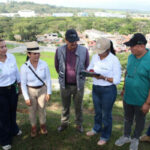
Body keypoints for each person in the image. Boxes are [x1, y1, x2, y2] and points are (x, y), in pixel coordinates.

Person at [115, 33, 150, 150]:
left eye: (132, 46)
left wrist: (147, 103)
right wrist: (124, 88)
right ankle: (126, 136)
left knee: (139, 120)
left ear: (141, 46)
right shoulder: (131, 57)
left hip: (141, 99)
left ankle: (135, 138)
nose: (130, 48)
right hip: (128, 96)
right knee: (127, 118)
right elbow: (127, 73)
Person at [86, 37, 121, 145]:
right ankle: (96, 128)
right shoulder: (95, 57)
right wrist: (89, 72)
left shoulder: (114, 60)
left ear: (108, 50)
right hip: (96, 88)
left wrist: (103, 78)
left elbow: (117, 80)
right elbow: (90, 67)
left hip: (108, 90)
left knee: (106, 114)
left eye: (101, 52)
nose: (99, 54)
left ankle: (105, 136)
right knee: (98, 112)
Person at [55, 29, 89, 133]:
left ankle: (78, 124)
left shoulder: (84, 50)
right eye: (71, 41)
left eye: (75, 41)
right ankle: (64, 123)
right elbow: (57, 66)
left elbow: (86, 65)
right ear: (65, 40)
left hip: (78, 85)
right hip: (65, 84)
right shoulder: (59, 50)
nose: (74, 43)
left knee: (78, 106)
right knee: (65, 106)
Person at [20, 41, 52, 138]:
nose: (37, 55)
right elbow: (23, 84)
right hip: (30, 91)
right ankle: (33, 127)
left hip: (42, 90)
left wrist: (48, 92)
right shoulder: (24, 67)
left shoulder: (44, 64)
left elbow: (48, 79)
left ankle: (43, 125)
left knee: (42, 109)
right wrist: (26, 97)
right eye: (34, 54)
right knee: (32, 110)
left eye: (38, 53)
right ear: (28, 54)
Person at [0, 39, 21, 150]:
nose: (4, 49)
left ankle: (14, 129)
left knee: (13, 111)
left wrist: (20, 85)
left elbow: (17, 71)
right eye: (1, 47)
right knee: (4, 116)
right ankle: (4, 139)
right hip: (1, 91)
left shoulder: (11, 57)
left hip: (13, 88)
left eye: (5, 46)